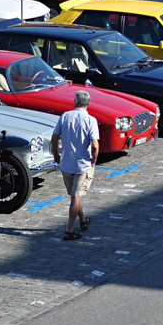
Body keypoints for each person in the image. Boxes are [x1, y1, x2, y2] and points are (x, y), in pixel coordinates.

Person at [51, 90, 100, 241]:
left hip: (66, 163)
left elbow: (54, 139)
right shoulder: (91, 120)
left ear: (76, 102)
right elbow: (95, 145)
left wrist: (56, 156)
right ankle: (69, 230)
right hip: (82, 164)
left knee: (75, 195)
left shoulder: (65, 116)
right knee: (76, 196)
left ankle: (83, 221)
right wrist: (93, 162)